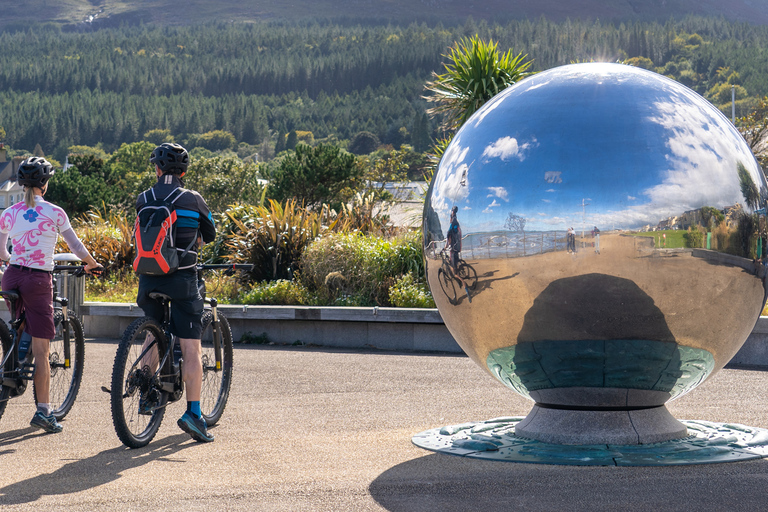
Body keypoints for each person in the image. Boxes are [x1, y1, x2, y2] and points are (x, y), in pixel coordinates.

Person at [0, 157, 101, 433]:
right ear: (44, 184)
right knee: (43, 350)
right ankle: (44, 411)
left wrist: (13, 258)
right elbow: (76, 245)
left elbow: (2, 253)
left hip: (12, 276)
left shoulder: (9, 213)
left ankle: (13, 364)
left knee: (18, 322)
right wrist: (91, 263)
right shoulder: (55, 212)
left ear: (22, 184)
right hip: (37, 279)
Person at [136, 143, 217, 442]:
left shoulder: (143, 198)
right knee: (191, 346)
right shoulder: (193, 199)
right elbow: (210, 234)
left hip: (149, 280)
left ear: (156, 169)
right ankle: (194, 415)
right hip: (182, 280)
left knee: (152, 332)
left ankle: (146, 394)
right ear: (184, 171)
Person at [445, 206, 471, 303]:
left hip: (452, 251)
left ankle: (464, 285)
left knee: (454, 273)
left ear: (451, 216)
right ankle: (460, 274)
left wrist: (444, 247)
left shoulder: (451, 227)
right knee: (455, 265)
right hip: (457, 249)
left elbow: (448, 240)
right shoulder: (457, 225)